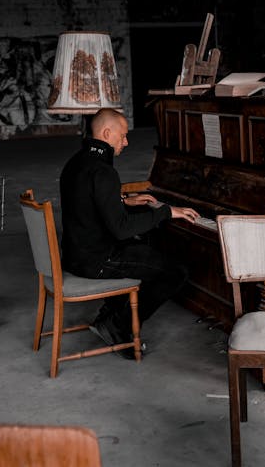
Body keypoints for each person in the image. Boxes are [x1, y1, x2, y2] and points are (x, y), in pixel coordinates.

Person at [59, 107, 200, 358]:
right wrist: (166, 211)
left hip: (75, 255)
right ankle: (117, 325)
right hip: (97, 260)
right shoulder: (104, 172)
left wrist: (123, 200)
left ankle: (108, 315)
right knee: (175, 272)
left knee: (145, 250)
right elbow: (121, 229)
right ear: (106, 132)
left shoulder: (76, 163)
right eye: (122, 135)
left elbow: (89, 200)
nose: (126, 141)